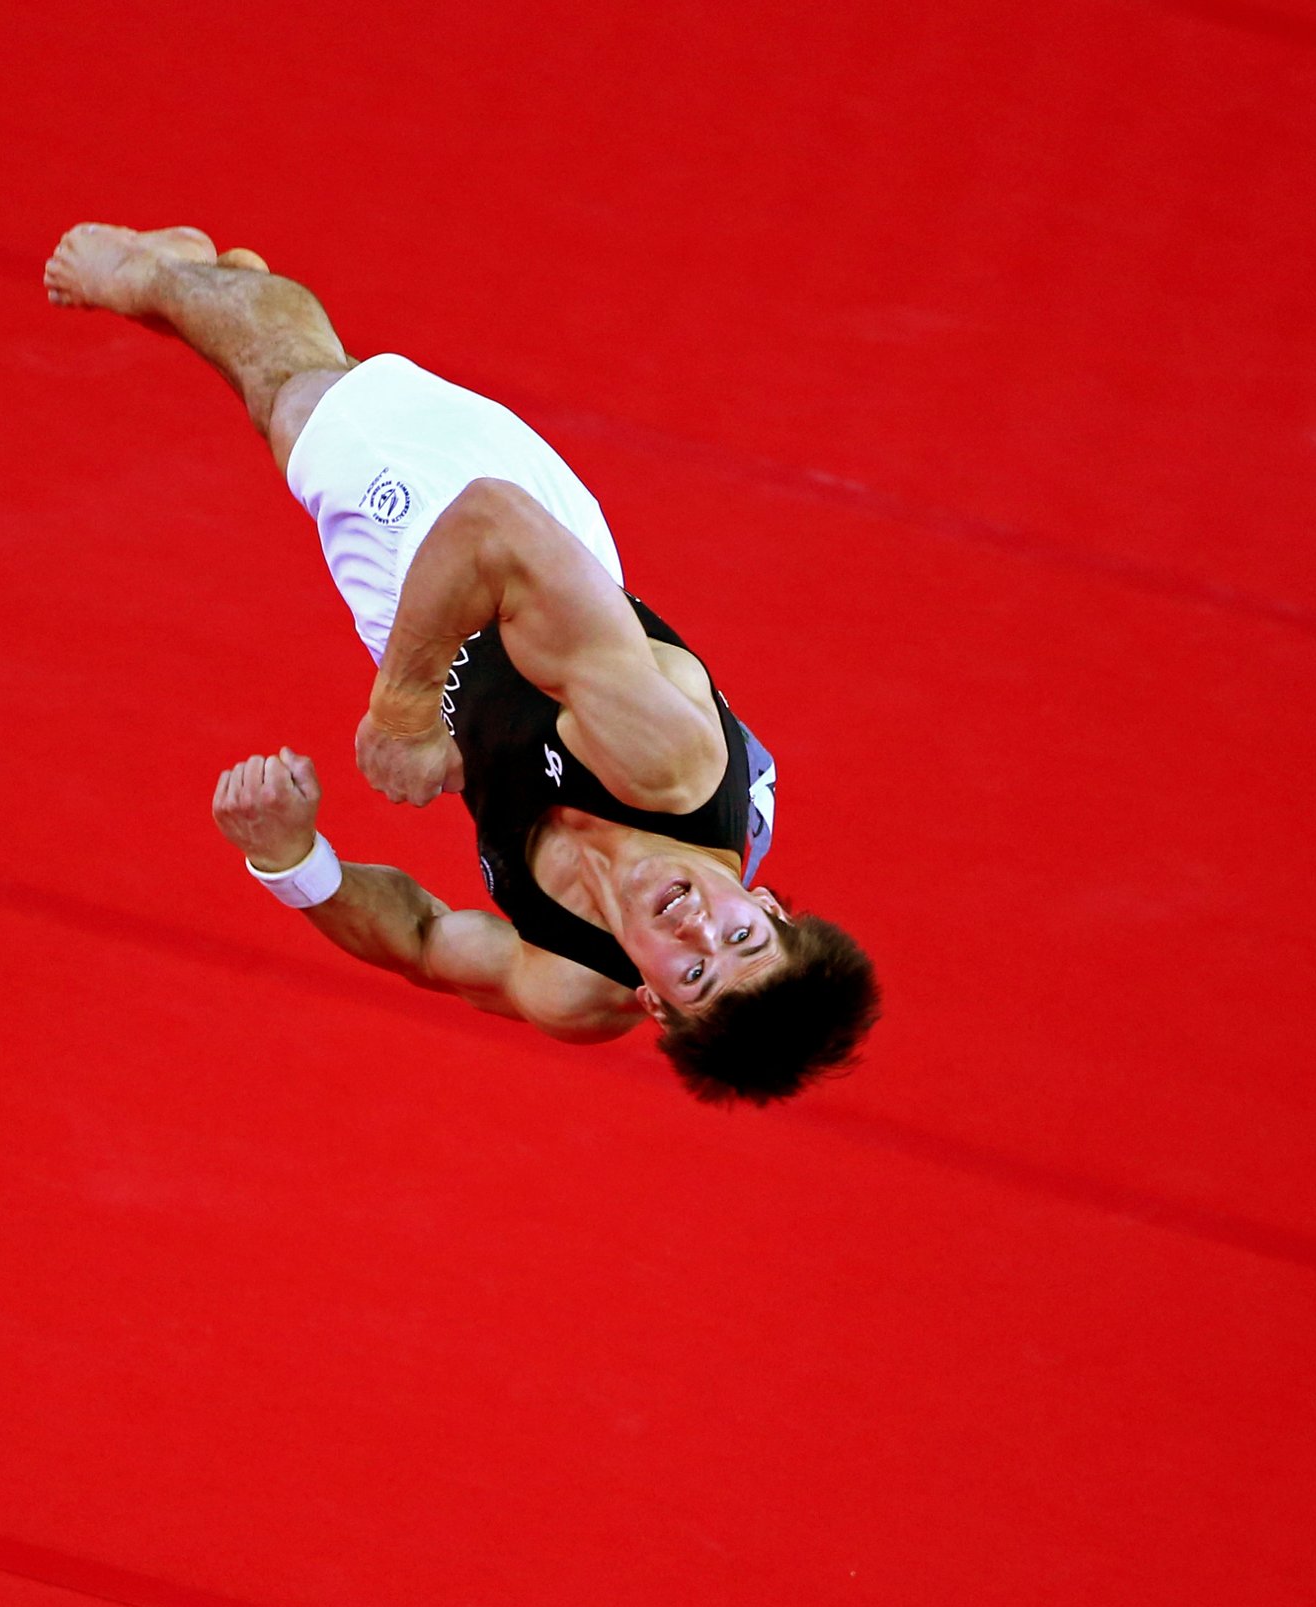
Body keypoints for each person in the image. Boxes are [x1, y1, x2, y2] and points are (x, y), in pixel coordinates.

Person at [44, 224, 877, 1103]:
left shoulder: (575, 988)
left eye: (698, 973)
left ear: (656, 1005)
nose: (700, 927)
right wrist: (404, 708)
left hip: (468, 675)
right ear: (773, 906)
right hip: (514, 561)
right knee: (301, 402)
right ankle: (160, 275)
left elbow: (428, 943)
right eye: (743, 937)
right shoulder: (664, 758)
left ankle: (223, 286)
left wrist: (292, 860)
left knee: (295, 421)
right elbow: (493, 523)